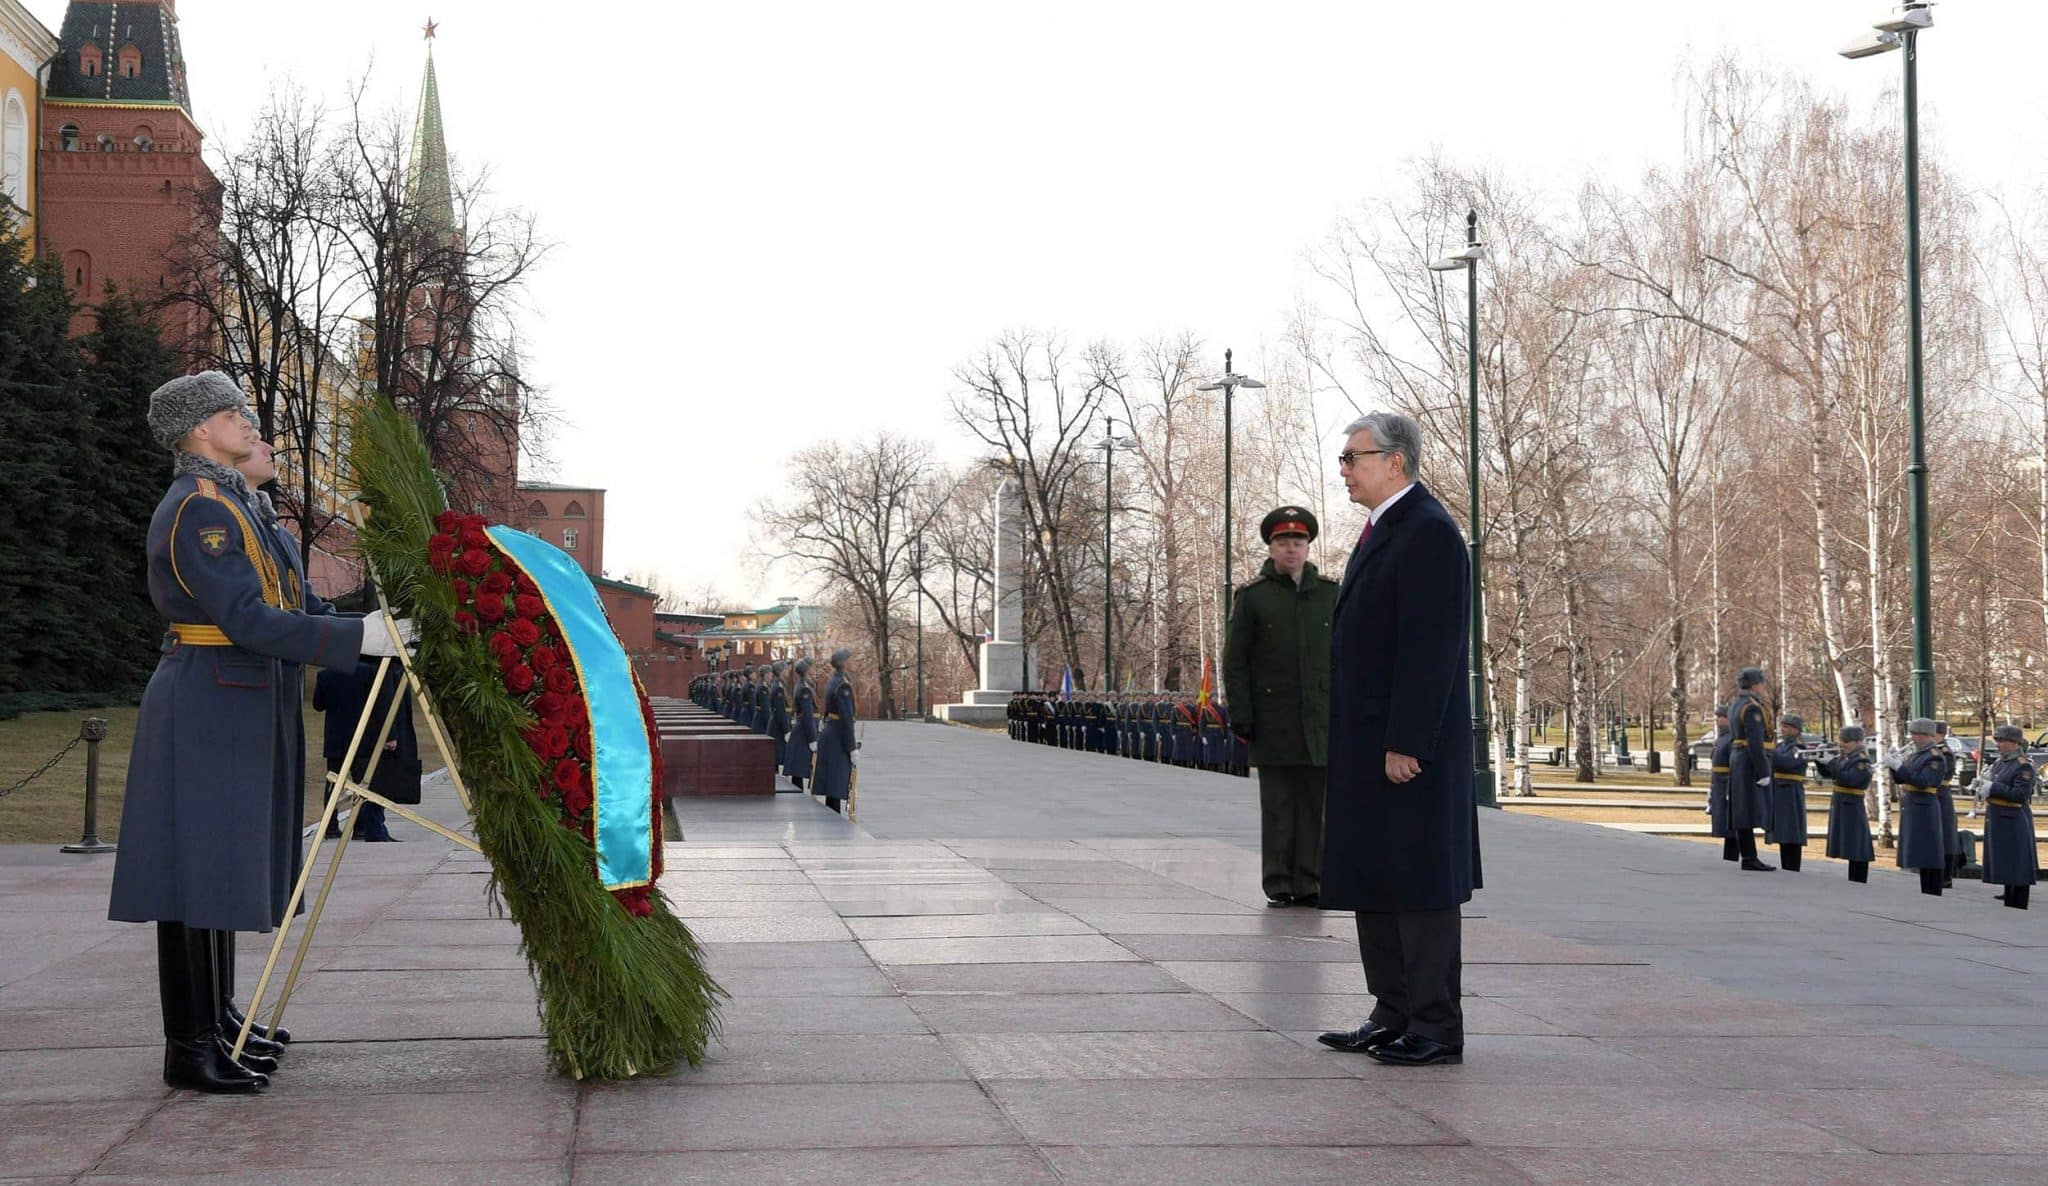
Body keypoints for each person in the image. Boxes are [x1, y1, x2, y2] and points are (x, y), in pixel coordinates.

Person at [108, 372, 398, 1094]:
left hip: (239, 694)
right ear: (200, 429)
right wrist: (356, 639)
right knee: (192, 875)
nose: (247, 421)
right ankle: (189, 1044)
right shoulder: (198, 509)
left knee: (219, 868)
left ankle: (220, 1022)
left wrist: (360, 629)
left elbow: (282, 605)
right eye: (233, 412)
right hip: (210, 695)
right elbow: (244, 618)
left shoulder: (232, 503)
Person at [1316, 412, 1478, 1068]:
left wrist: (1407, 740)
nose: (1345, 469)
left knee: (1418, 888)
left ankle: (1435, 1024)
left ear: (1396, 461)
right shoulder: (1386, 530)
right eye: (1345, 458)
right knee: (1376, 881)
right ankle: (1393, 1010)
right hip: (1368, 745)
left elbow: (1430, 651)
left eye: (1354, 457)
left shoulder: (1430, 533)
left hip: (1410, 754)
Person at [1224, 504, 1339, 908]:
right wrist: (1242, 714)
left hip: (1318, 722)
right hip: (1272, 721)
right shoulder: (1253, 598)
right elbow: (1235, 661)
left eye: (1298, 541)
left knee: (1314, 809)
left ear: (1308, 546)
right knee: (1277, 807)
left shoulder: (1329, 595)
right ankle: (1278, 882)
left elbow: (1345, 657)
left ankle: (1309, 882)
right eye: (1283, 542)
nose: (1291, 549)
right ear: (1271, 547)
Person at [313, 654, 420, 842]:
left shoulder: (325, 675)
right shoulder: (368, 673)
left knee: (334, 782)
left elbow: (318, 705)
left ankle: (330, 825)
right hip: (361, 737)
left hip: (336, 738)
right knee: (361, 783)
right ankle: (360, 826)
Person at [1975, 724, 2038, 909]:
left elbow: (2021, 795)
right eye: (1997, 740)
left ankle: (2017, 903)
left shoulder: (2023, 765)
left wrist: (1993, 788)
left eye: (2001, 740)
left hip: (2014, 818)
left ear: (2014, 743)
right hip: (1999, 818)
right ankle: (2009, 898)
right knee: (2007, 862)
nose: (1998, 744)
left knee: (2017, 863)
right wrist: (1982, 786)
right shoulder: (2000, 763)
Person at [1890, 718, 1950, 896]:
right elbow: (1901, 779)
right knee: (1922, 850)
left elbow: (1924, 781)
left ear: (1926, 735)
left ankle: (1933, 889)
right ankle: (1926, 889)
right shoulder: (1916, 754)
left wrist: (1900, 767)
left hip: (1925, 805)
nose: (1913, 737)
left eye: (1916, 734)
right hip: (1914, 805)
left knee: (1930, 849)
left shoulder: (1934, 757)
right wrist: (1895, 766)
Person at [1725, 668, 1776, 872]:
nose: (1763, 687)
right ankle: (1749, 857)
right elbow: (1755, 742)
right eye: (1761, 683)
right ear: (1755, 685)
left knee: (1742, 808)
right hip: (1748, 759)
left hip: (1738, 757)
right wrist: (1763, 771)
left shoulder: (1735, 704)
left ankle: (1749, 855)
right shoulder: (1752, 708)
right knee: (1746, 809)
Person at [1814, 726, 1874, 883]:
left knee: (1857, 843)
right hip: (1842, 803)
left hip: (1852, 804)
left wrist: (1832, 763)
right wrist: (1820, 761)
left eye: (1846, 741)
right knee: (1848, 842)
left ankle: (1859, 879)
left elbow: (1850, 779)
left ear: (1858, 742)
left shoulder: (1861, 760)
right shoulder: (1846, 757)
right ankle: (1852, 878)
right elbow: (1830, 773)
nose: (1842, 744)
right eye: (1841, 740)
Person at [812, 648, 859, 813]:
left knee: (832, 782)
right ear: (844, 663)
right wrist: (851, 747)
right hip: (838, 736)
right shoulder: (843, 685)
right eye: (850, 659)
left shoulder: (834, 681)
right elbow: (846, 718)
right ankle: (834, 819)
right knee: (836, 781)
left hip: (830, 732)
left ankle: (832, 816)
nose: (853, 662)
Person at [1767, 713, 1810, 871]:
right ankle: (1786, 864)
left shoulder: (1798, 747)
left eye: (1786, 727)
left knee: (1792, 831)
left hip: (1791, 792)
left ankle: (1793, 866)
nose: (1782, 729)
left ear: (1795, 730)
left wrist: (1770, 750)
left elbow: (1786, 762)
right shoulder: (1781, 746)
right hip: (1779, 791)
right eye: (1782, 726)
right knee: (1783, 832)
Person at [1935, 721, 1963, 887]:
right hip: (1933, 796)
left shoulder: (1945, 753)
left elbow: (1942, 774)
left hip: (1941, 795)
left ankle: (1946, 876)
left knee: (1946, 835)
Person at [1707, 707, 1735, 862]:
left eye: (1720, 717)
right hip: (1718, 783)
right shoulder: (1721, 739)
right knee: (1722, 821)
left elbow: (1734, 764)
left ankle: (1732, 855)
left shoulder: (1731, 738)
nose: (1717, 720)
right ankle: (1728, 855)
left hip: (1726, 784)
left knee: (1730, 823)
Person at [785, 657, 819, 790]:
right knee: (798, 769)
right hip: (803, 734)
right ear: (807, 670)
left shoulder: (805, 685)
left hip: (803, 731)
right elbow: (807, 716)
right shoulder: (805, 689)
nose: (814, 669)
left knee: (798, 770)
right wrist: (812, 739)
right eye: (812, 667)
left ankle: (798, 796)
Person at [767, 660, 792, 774]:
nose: (788, 671)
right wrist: (786, 730)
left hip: (777, 724)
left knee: (776, 757)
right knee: (776, 757)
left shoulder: (779, 684)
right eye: (786, 669)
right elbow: (781, 710)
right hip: (778, 726)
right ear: (781, 671)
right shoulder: (778, 687)